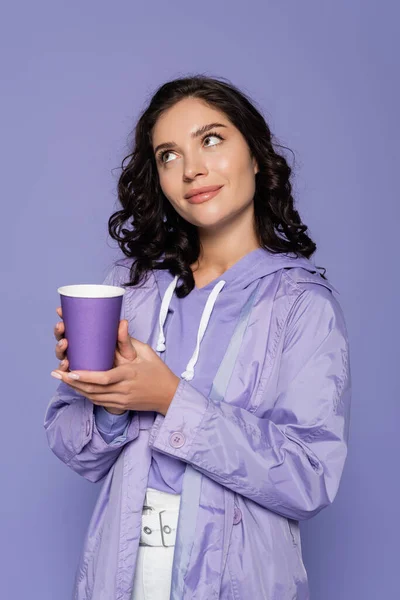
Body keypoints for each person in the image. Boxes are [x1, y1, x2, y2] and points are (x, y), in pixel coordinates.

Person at [44, 75, 351, 600]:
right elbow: (76, 450)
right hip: (118, 581)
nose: (192, 170)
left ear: (256, 155)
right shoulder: (130, 287)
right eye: (168, 155)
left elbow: (310, 477)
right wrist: (109, 403)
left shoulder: (302, 305)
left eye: (211, 139)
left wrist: (170, 400)